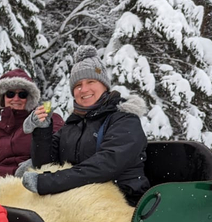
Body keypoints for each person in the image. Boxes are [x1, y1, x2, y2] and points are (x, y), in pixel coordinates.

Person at [18, 46, 150, 206]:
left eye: (91, 81)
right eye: (78, 85)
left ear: (104, 85)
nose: (84, 89)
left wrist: (49, 182)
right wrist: (42, 130)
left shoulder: (124, 120)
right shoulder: (74, 123)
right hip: (82, 198)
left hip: (125, 202)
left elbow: (105, 166)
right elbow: (45, 163)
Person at [0, 69, 64, 187]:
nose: (16, 99)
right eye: (10, 94)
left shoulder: (46, 119)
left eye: (22, 95)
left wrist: (35, 163)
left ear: (29, 98)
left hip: (33, 188)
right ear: (2, 97)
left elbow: (60, 150)